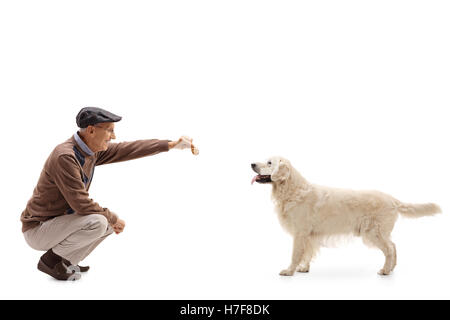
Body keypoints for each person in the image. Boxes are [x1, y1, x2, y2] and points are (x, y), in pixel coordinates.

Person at [20, 107, 196, 281]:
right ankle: (51, 262)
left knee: (107, 223)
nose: (113, 136)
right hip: (38, 229)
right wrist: (112, 217)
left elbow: (127, 149)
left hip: (57, 225)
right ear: (91, 130)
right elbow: (80, 204)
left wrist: (170, 145)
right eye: (110, 130)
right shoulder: (65, 156)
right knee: (100, 221)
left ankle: (66, 260)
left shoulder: (89, 150)